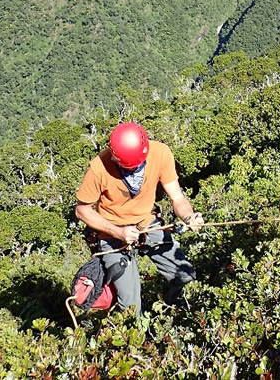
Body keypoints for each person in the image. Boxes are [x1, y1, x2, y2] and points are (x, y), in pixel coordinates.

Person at [75, 122, 203, 313]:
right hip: (112, 233)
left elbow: (177, 197)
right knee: (130, 304)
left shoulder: (160, 154)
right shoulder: (99, 167)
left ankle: (178, 313)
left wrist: (189, 216)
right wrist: (118, 232)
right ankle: (136, 337)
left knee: (185, 277)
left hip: (146, 224)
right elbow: (82, 210)